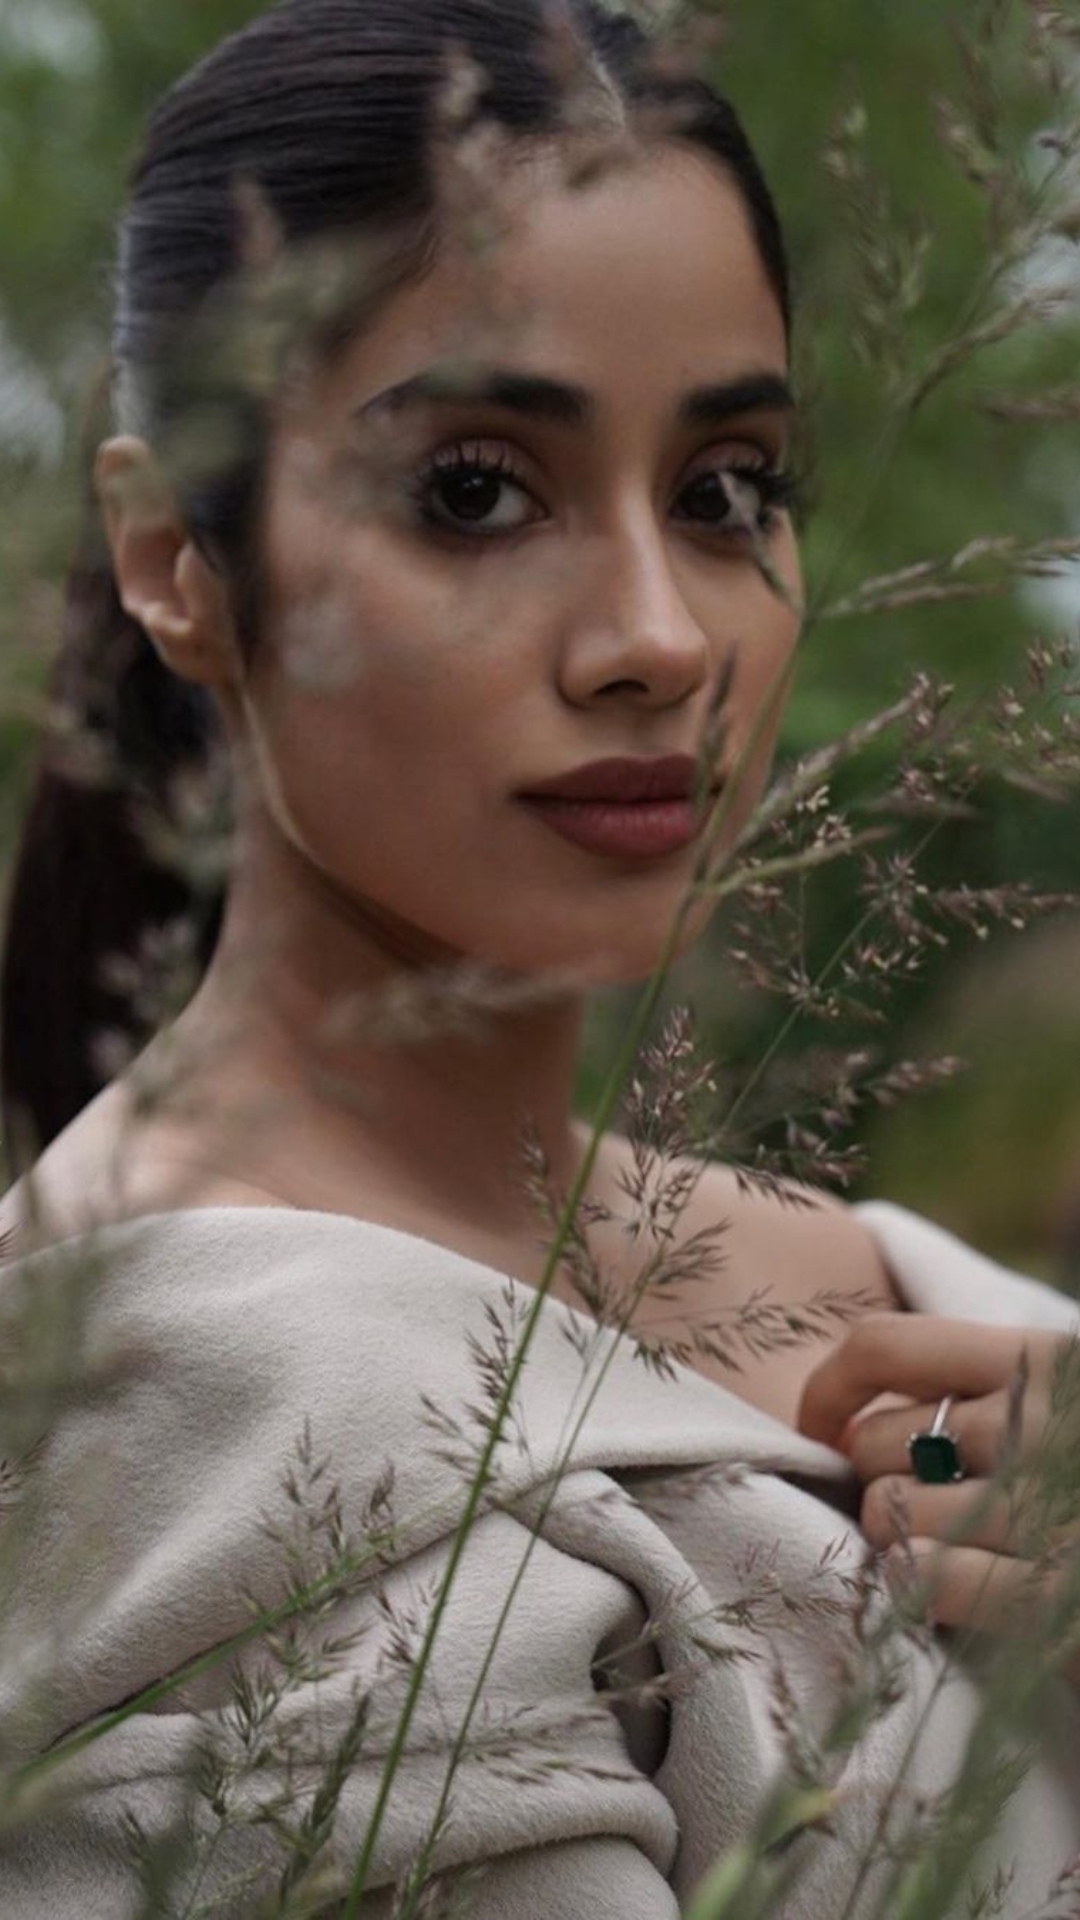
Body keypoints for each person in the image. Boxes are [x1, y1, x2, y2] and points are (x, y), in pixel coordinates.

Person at [0, 3, 1078, 1915]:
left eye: (728, 489)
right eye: (477, 489)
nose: (661, 636)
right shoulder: (205, 1421)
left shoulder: (897, 1298)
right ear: (175, 555)